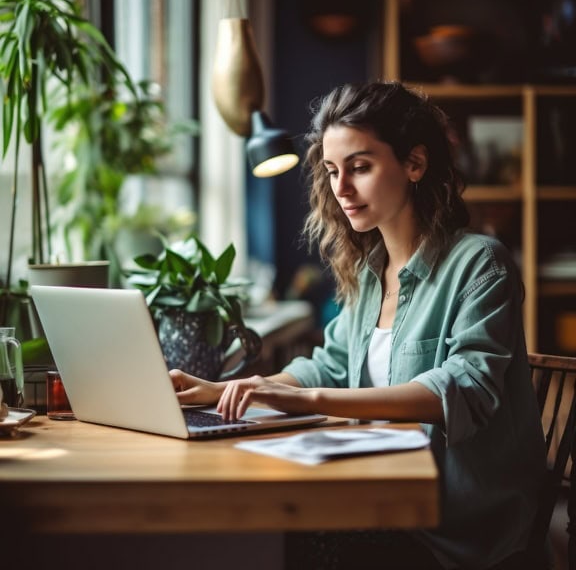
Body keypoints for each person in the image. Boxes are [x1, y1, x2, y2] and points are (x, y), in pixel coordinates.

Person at [169, 81, 546, 570]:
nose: (340, 189)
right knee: (264, 534)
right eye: (331, 171)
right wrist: (223, 389)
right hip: (384, 500)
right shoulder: (372, 272)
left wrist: (306, 401)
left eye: (360, 168)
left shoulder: (480, 264)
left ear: (414, 163)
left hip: (454, 528)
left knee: (283, 544)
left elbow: (464, 388)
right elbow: (329, 365)